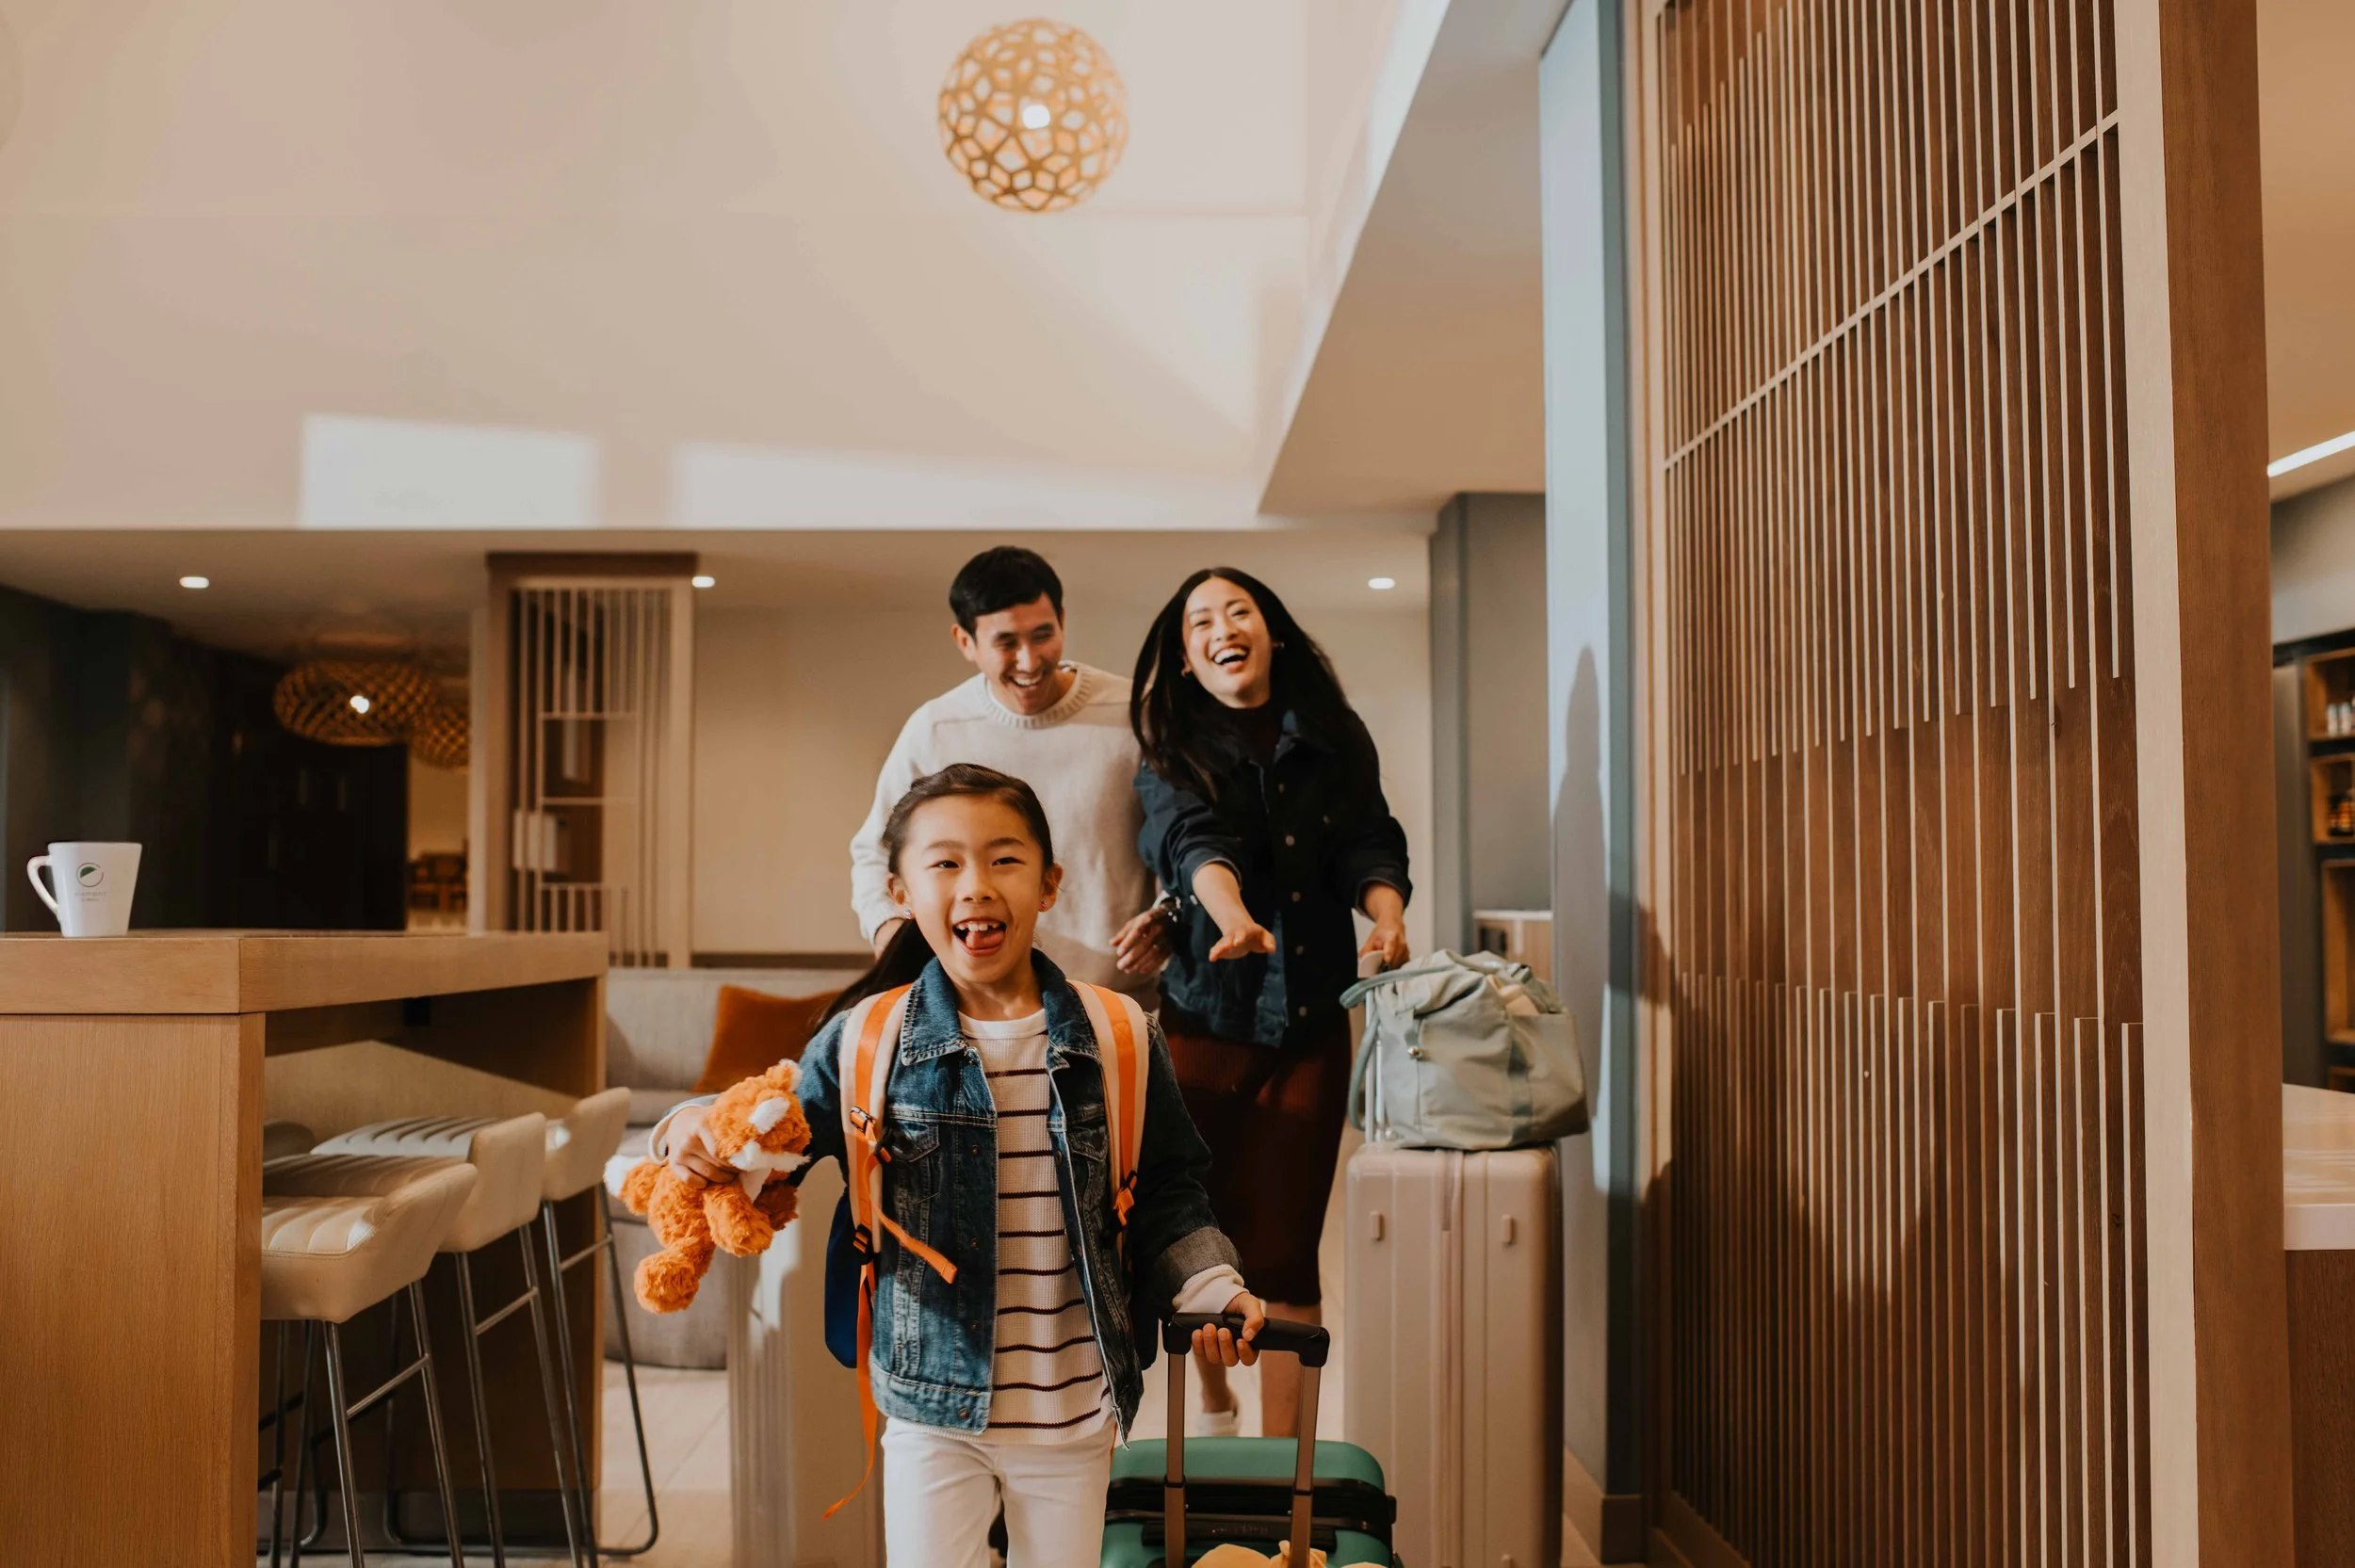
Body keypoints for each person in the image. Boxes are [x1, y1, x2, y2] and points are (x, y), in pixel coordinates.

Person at [659, 765, 1262, 1567]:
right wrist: (684, 1132)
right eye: (944, 863)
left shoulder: (1120, 1033)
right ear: (901, 891)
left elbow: (1169, 1192)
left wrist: (1212, 1287)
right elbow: (763, 1149)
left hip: (1075, 1404)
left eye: (1004, 859)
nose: (976, 885)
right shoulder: (865, 1039)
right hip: (926, 1407)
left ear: (1049, 884)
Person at [1131, 567, 1412, 1439]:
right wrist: (1234, 917)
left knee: (1289, 1245)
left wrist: (1390, 920)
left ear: (1271, 631)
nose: (1222, 627)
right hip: (1203, 1027)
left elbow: (1370, 839)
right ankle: (1209, 1407)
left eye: (1238, 610)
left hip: (1312, 1028)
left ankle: (1283, 1477)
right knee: (1193, 1240)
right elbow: (1190, 841)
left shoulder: (1333, 734)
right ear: (1185, 658)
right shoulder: (1171, 747)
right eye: (1201, 621)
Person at [851, 546, 1166, 998]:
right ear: (966, 642)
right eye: (1005, 643)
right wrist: (890, 933)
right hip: (976, 1007)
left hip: (1116, 998)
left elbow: (1178, 832)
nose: (1029, 660)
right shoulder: (936, 728)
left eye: (1043, 635)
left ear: (1062, 617)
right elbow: (874, 854)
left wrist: (1167, 913)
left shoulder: (1136, 712)